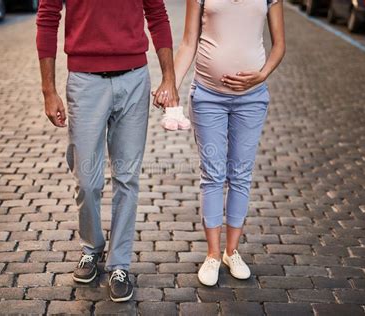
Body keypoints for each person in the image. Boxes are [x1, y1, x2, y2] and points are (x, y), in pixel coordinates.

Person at [36, 0, 178, 302]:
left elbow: (157, 15)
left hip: (134, 78)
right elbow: (48, 18)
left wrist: (169, 77)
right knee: (88, 181)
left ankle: (119, 264)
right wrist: (49, 90)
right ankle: (92, 247)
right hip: (85, 82)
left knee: (127, 178)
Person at [172, 0, 285, 286]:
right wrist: (170, 84)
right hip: (208, 97)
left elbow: (279, 45)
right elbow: (188, 42)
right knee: (213, 175)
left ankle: (231, 252)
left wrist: (262, 74)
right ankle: (212, 255)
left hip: (252, 99)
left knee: (240, 175)